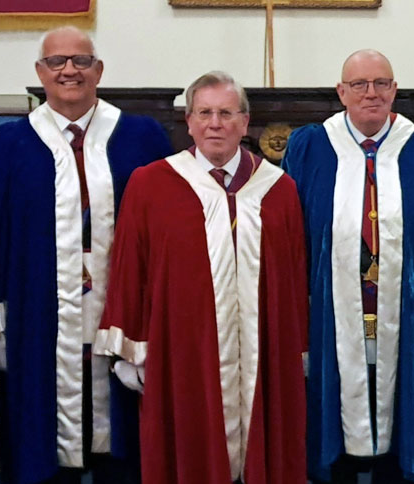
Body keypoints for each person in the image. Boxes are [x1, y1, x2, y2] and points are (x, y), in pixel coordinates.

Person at [0, 26, 173, 484]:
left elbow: (165, 236)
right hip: (36, 326)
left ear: (99, 71)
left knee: (125, 456)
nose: (69, 70)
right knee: (40, 453)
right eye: (57, 62)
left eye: (81, 61)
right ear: (40, 73)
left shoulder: (141, 136)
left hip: (122, 325)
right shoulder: (8, 143)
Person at [283, 49, 414, 484]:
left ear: (395, 90)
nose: (371, 93)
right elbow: (287, 245)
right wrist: (293, 328)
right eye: (359, 84)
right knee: (331, 438)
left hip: (410, 326)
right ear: (341, 92)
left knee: (404, 442)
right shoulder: (310, 147)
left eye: (381, 83)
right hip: (329, 326)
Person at [97, 70, 308, 484]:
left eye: (227, 113)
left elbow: (296, 278)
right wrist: (128, 347)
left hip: (263, 357)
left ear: (245, 123)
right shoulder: (151, 184)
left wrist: (296, 349)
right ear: (189, 121)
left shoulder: (279, 189)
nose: (216, 123)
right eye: (205, 112)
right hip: (182, 356)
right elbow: (129, 269)